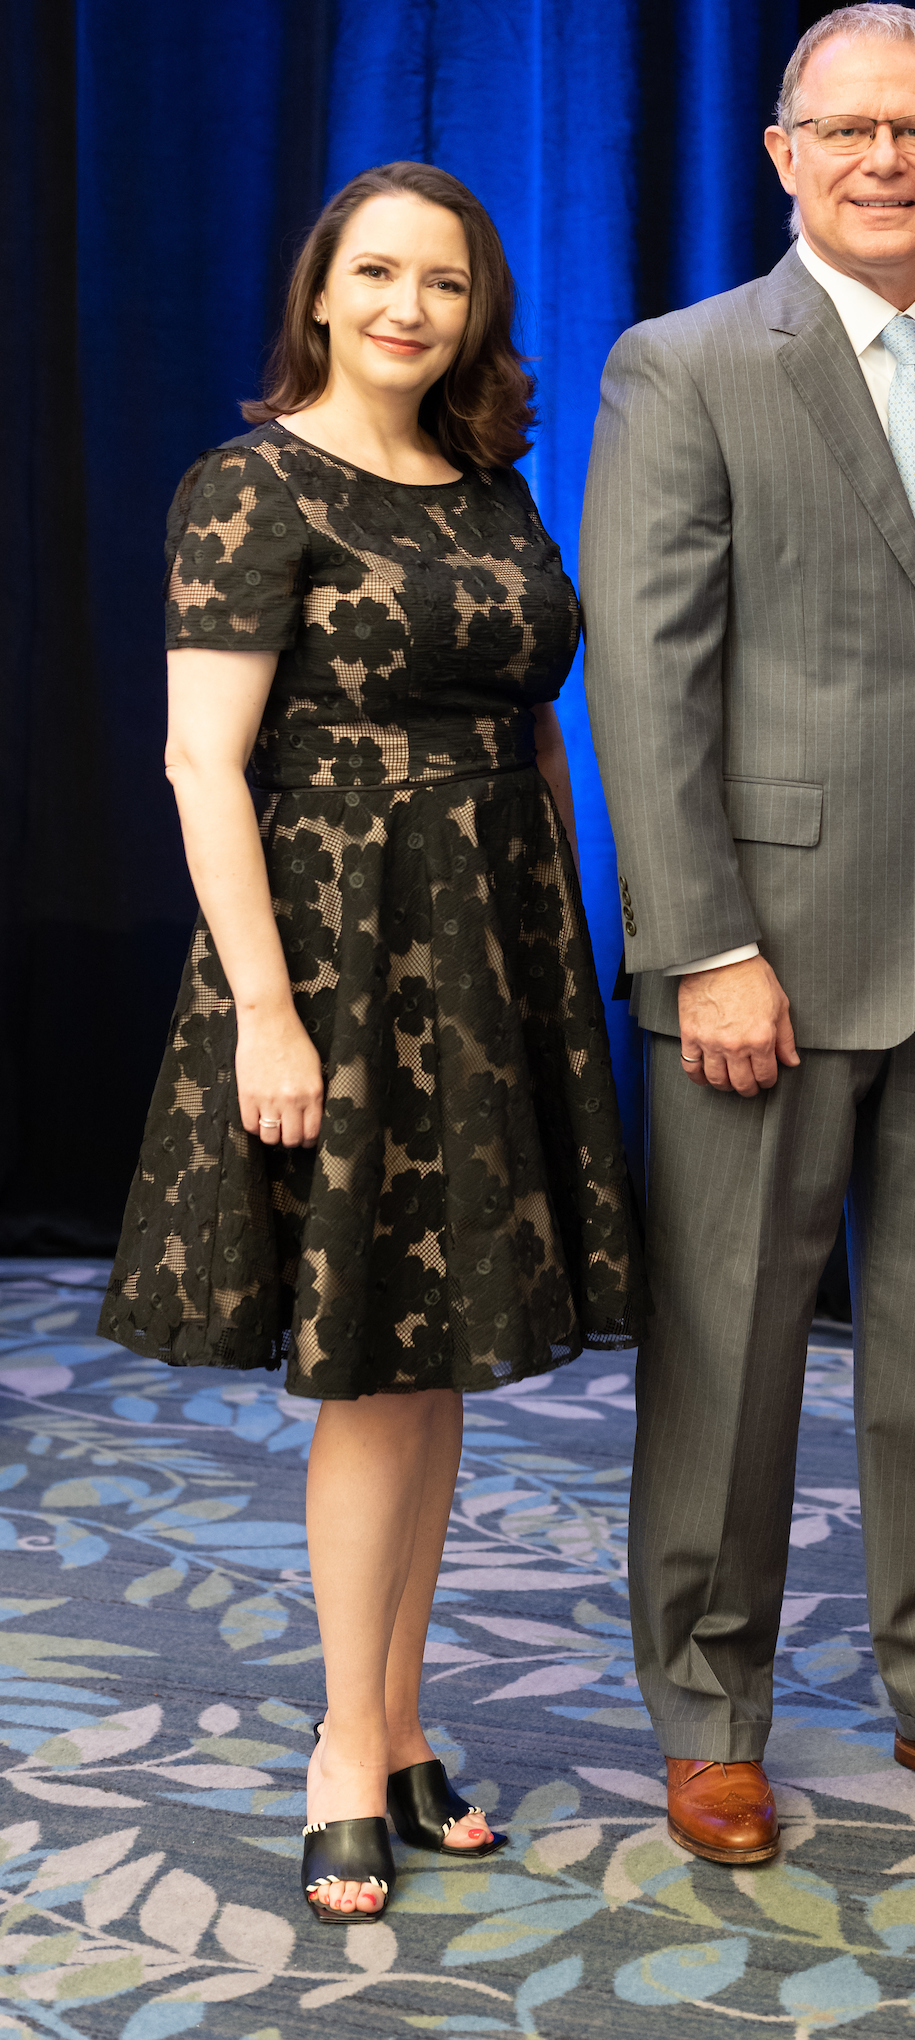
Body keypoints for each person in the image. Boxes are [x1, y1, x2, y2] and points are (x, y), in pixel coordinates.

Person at [98, 162, 647, 1921]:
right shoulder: (250, 485)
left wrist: (561, 943)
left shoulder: (492, 489)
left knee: (438, 1352)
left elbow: (534, 728)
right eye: (382, 274)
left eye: (447, 282)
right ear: (321, 294)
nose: (412, 307)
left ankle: (402, 1721)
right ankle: (345, 1746)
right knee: (364, 1356)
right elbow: (201, 764)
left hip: (492, 944)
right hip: (336, 945)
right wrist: (265, 1013)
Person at [581, 2, 915, 1867]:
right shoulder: (687, 362)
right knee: (726, 1358)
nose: (885, 159)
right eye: (848, 129)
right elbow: (649, 679)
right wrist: (701, 943)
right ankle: (710, 1715)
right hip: (764, 959)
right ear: (783, 154)